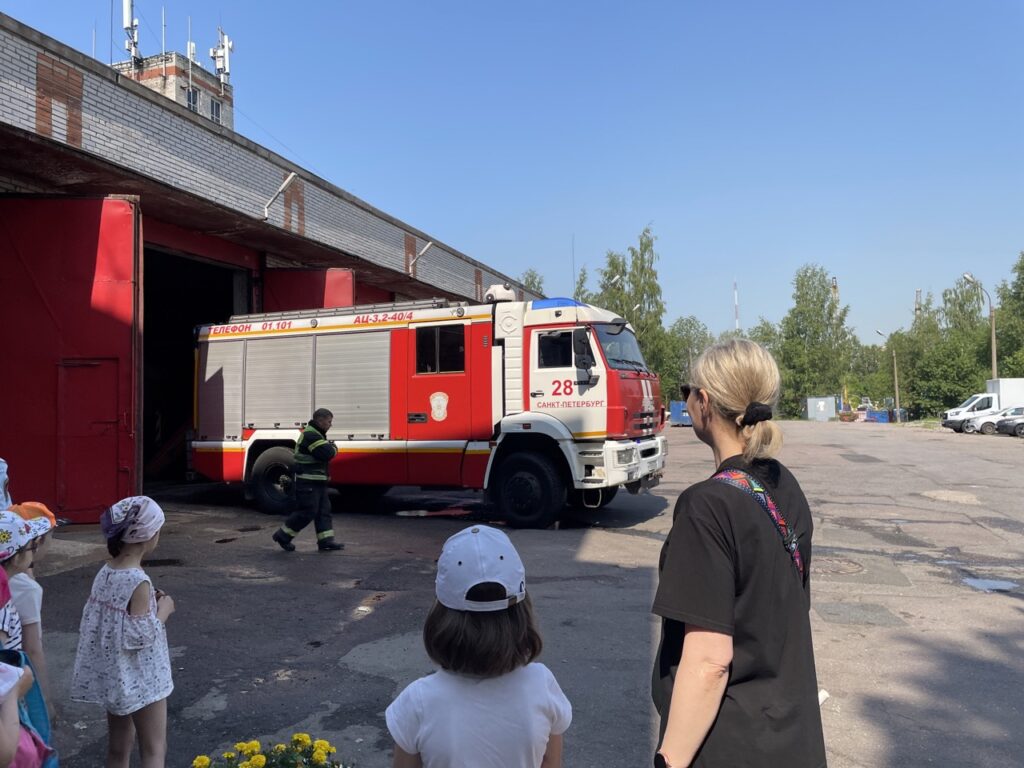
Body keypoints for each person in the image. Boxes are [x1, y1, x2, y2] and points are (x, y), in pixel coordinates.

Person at [652, 339, 827, 768]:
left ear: (704, 402)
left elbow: (709, 661)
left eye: (686, 391)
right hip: (792, 736)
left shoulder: (706, 506)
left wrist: (669, 760)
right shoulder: (783, 483)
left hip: (731, 743)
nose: (686, 399)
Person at [386, 525, 571, 768]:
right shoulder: (541, 684)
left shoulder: (418, 701)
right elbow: (551, 763)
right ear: (522, 614)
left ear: (440, 617)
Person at [71, 496, 175, 768]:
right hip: (143, 677)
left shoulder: (106, 571)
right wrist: (163, 609)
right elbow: (140, 636)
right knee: (154, 749)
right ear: (148, 535)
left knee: (119, 747)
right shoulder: (137, 580)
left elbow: (112, 619)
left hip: (116, 676)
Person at [10, 504, 59, 726]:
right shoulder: (27, 590)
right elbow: (32, 649)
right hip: (13, 681)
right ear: (35, 543)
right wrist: (45, 702)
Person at [272, 408, 343, 552]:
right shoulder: (311, 435)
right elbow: (327, 453)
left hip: (317, 481)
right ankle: (282, 536)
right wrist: (334, 448)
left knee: (324, 511)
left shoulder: (317, 434)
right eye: (329, 421)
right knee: (307, 511)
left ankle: (326, 540)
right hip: (308, 481)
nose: (330, 425)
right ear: (320, 420)